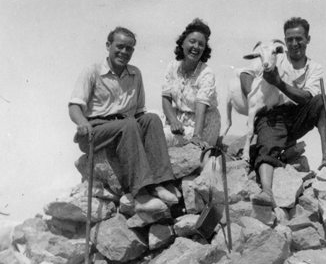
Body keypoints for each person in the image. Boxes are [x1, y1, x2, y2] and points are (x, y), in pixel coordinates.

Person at [69, 26, 178, 213]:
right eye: (119, 46)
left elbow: (139, 112)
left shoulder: (135, 74)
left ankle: (160, 183)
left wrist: (147, 131)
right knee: (128, 124)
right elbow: (74, 106)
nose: (124, 52)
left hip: (126, 126)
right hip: (96, 130)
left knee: (151, 119)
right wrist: (82, 122)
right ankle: (140, 194)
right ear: (108, 46)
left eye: (129, 48)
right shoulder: (92, 72)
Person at [240, 17, 326, 207]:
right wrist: (254, 101)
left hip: (297, 116)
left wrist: (278, 83)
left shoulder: (314, 68)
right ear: (284, 41)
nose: (294, 44)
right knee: (267, 146)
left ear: (308, 39)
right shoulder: (273, 56)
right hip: (272, 115)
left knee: (324, 101)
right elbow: (246, 73)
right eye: (290, 39)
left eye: (299, 38)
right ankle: (267, 192)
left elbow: (307, 97)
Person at [161, 18, 221, 150]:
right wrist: (173, 121)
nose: (196, 47)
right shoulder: (172, 66)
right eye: (192, 41)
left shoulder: (206, 74)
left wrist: (197, 136)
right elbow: (166, 98)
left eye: (201, 44)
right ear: (182, 43)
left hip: (202, 125)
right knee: (150, 121)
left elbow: (201, 108)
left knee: (159, 136)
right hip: (178, 118)